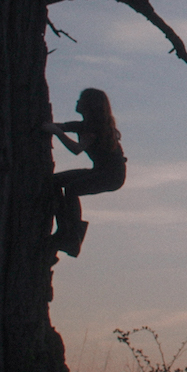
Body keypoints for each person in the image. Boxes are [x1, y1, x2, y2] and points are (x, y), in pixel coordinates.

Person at [41, 88, 126, 257]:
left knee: (72, 189)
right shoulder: (84, 125)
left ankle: (72, 237)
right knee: (55, 182)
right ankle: (65, 230)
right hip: (101, 171)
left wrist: (56, 132)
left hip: (112, 175)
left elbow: (76, 149)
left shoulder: (95, 128)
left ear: (89, 105)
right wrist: (51, 127)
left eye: (81, 100)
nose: (77, 102)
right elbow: (63, 126)